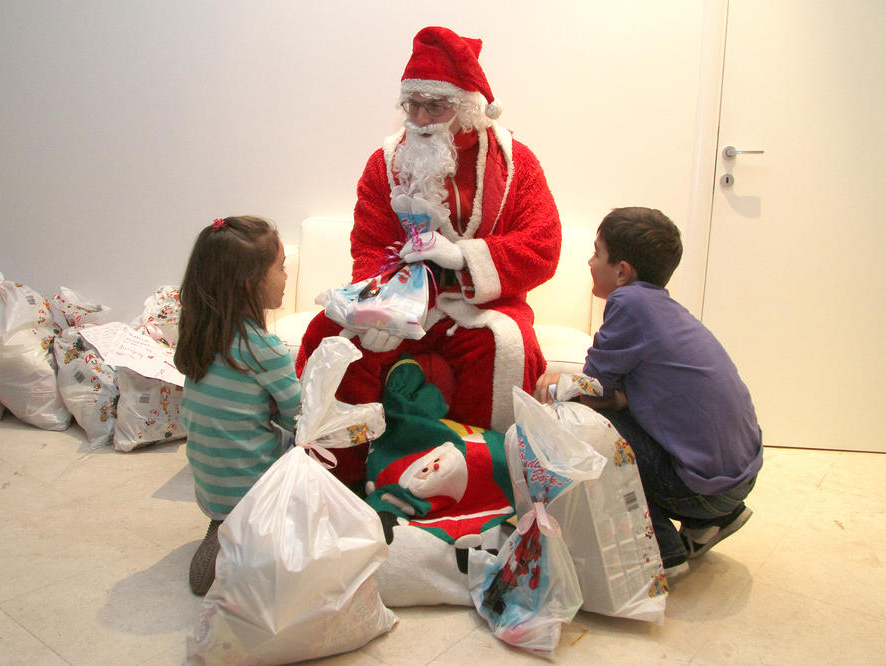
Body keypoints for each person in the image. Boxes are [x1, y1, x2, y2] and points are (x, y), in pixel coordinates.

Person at [296, 26, 562, 488]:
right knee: (335, 338)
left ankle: (483, 482)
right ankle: (344, 481)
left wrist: (463, 257)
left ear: (468, 106)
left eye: (434, 105)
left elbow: (543, 246)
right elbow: (369, 245)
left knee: (508, 348)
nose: (419, 117)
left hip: (482, 306)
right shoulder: (384, 161)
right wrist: (380, 310)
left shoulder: (517, 163)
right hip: (401, 302)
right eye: (411, 104)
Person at [534, 207, 762, 578]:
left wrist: (559, 381)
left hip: (704, 490)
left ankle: (663, 547)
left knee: (584, 423)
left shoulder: (627, 303)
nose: (590, 262)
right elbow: (624, 392)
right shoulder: (661, 307)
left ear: (622, 271)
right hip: (740, 479)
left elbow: (593, 390)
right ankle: (714, 519)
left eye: (597, 253)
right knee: (611, 414)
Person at [175, 215, 301, 595]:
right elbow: (301, 420)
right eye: (280, 268)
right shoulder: (263, 349)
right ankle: (250, 530)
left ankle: (227, 524)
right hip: (250, 483)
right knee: (320, 452)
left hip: (212, 483)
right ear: (251, 282)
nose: (286, 277)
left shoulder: (201, 338)